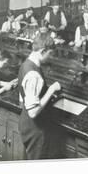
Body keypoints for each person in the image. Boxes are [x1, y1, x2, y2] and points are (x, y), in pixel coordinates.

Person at [18, 32, 63, 160]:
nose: (50, 57)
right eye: (50, 54)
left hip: (25, 123)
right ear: (43, 51)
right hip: (35, 129)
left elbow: (23, 98)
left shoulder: (26, 64)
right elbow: (33, 112)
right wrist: (51, 90)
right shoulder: (33, 75)